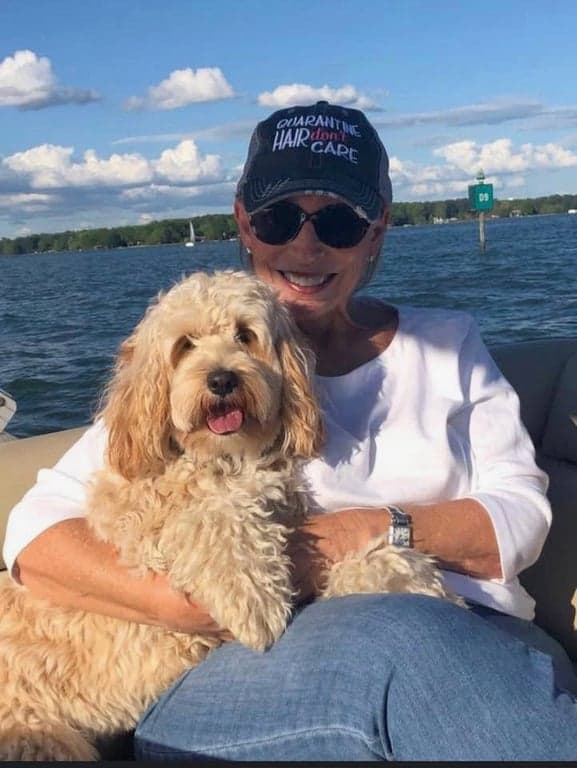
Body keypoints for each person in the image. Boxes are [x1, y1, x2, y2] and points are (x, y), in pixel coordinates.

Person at [3, 101, 577, 761]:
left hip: (475, 644)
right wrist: (200, 601)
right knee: (399, 640)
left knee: (428, 648)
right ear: (245, 224)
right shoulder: (173, 387)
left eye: (336, 221)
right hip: (259, 671)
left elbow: (520, 516)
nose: (306, 246)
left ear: (376, 228)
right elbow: (35, 532)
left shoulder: (448, 342)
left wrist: (351, 537)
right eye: (280, 219)